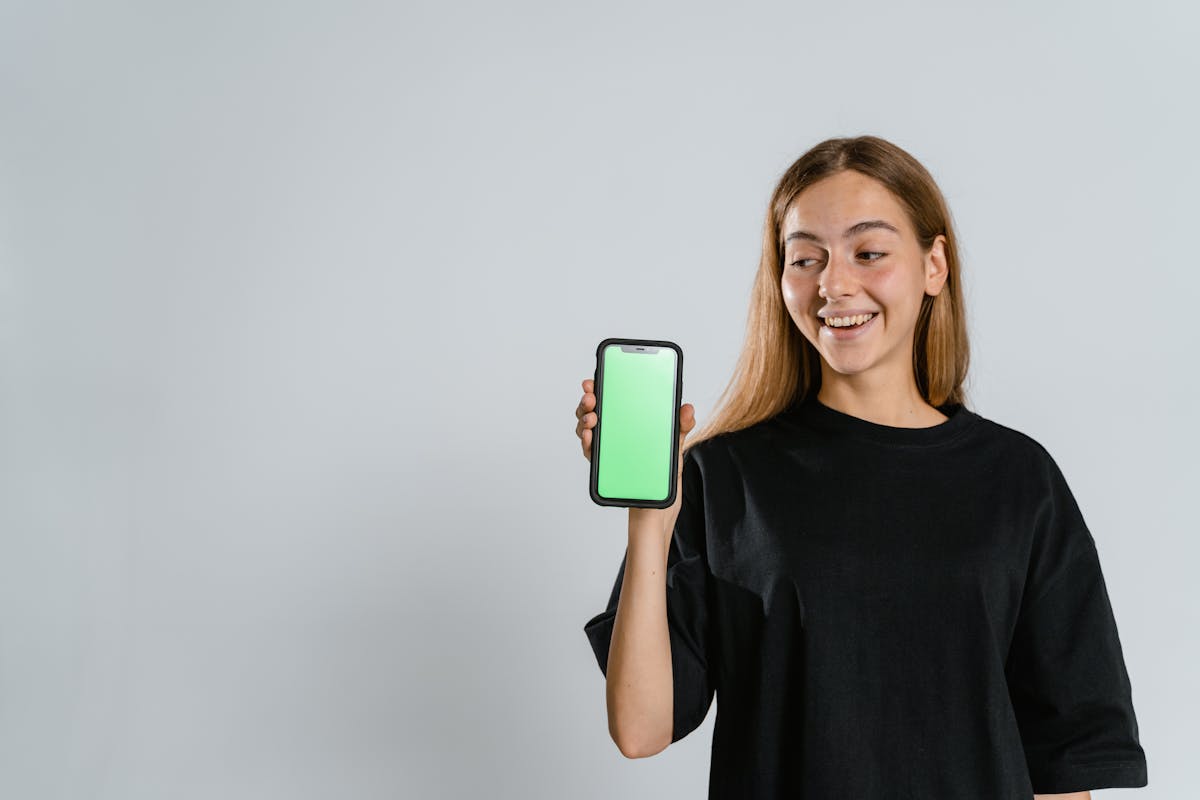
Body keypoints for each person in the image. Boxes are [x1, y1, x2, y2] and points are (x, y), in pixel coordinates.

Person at [573, 135, 1148, 799]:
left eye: (868, 252)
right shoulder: (723, 477)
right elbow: (641, 730)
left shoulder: (1018, 479)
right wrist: (650, 520)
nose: (834, 284)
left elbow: (1066, 757)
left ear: (934, 265)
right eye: (805, 259)